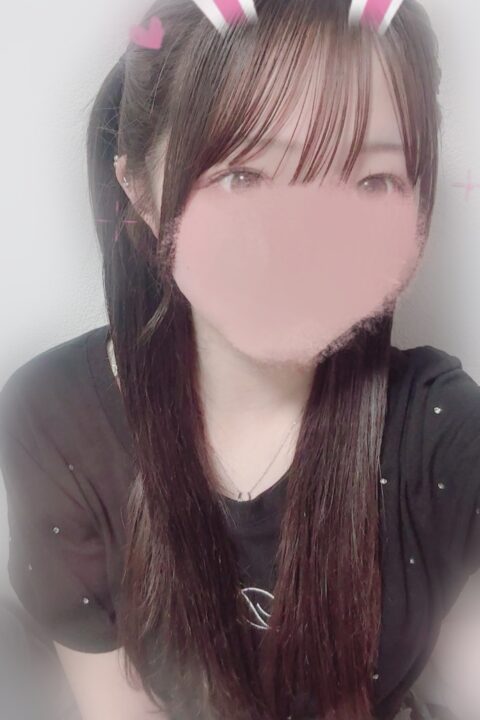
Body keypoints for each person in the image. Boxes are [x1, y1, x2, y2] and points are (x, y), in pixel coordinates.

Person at [1, 0, 480, 719]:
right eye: (245, 176)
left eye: (372, 180)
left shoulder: (442, 428)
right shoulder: (55, 420)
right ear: (141, 191)